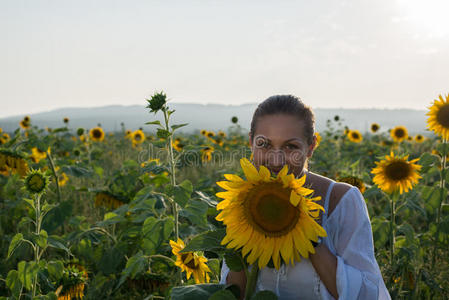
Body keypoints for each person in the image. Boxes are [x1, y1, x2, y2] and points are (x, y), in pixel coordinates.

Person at [219, 95, 390, 300]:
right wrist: (245, 234)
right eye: (264, 144)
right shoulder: (242, 199)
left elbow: (366, 294)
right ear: (250, 142)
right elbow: (232, 293)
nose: (276, 159)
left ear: (310, 147)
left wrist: (307, 231)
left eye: (290, 146)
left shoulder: (340, 201)